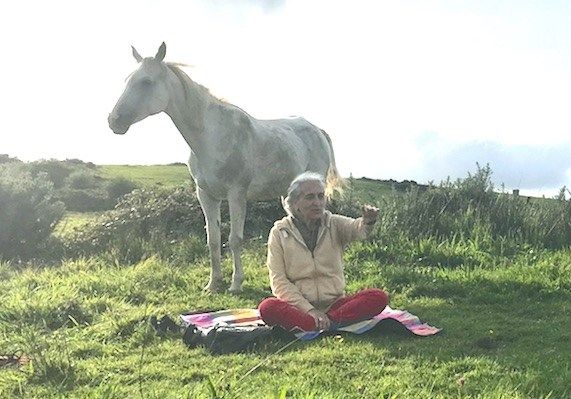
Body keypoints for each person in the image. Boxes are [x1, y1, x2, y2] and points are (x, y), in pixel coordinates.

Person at [258, 172, 389, 332]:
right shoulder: (279, 232)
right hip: (298, 307)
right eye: (310, 197)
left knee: (378, 297)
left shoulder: (333, 223)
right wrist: (310, 310)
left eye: (321, 196)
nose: (317, 203)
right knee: (267, 307)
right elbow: (278, 280)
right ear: (295, 203)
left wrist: (368, 221)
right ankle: (322, 323)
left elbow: (357, 229)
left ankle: (322, 323)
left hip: (335, 305)